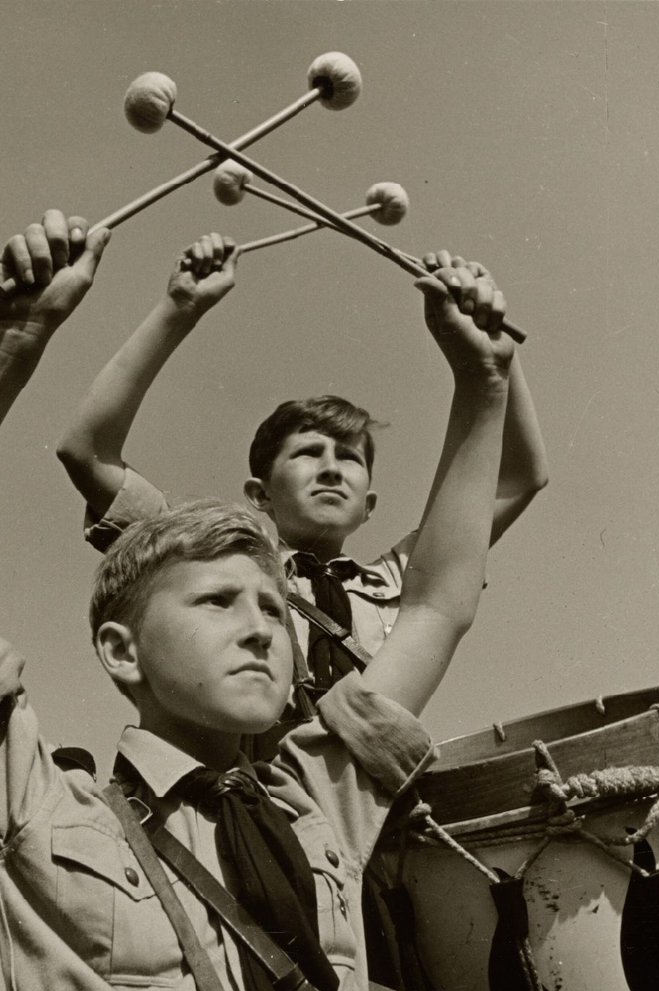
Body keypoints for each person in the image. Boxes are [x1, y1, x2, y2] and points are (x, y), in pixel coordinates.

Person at [0, 210, 514, 991]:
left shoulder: (317, 795)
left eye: (267, 609)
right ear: (120, 653)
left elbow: (436, 602)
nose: (258, 628)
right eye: (214, 603)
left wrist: (483, 379)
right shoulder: (45, 802)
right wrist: (14, 344)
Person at [56, 235, 548, 729]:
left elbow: (519, 479)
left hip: (363, 792)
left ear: (369, 505)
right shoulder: (207, 562)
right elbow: (88, 453)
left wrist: (494, 354)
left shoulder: (405, 579)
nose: (332, 468)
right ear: (259, 495)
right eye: (309, 453)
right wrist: (177, 309)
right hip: (252, 789)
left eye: (350, 459)